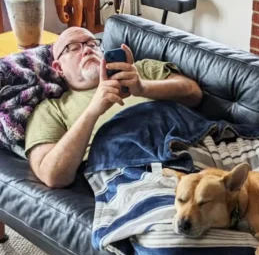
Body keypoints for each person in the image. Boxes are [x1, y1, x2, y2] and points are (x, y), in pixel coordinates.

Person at [25, 27, 203, 189]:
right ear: (58, 68)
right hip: (133, 170)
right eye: (73, 47)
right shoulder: (51, 108)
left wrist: (143, 87)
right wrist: (93, 110)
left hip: (188, 143)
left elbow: (194, 94)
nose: (87, 49)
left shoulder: (139, 69)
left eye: (92, 43)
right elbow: (52, 175)